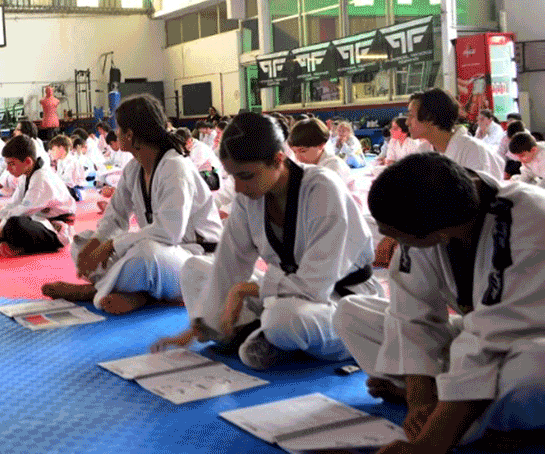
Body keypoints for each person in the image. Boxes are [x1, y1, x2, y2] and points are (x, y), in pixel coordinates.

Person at [334, 153, 545, 454]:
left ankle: (472, 421)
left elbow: (486, 345)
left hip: (528, 339)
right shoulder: (437, 207)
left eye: (396, 236)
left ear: (440, 235)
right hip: (482, 334)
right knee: (352, 313)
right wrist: (419, 400)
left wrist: (428, 445)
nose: (389, 243)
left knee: (534, 370)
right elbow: (411, 315)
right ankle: (461, 414)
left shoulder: (530, 222)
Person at [153, 112, 382, 370]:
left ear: (278, 159)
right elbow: (230, 261)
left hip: (340, 300)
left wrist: (242, 292)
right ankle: (259, 335)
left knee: (282, 319)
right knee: (195, 268)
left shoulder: (322, 189)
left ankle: (269, 334)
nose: (238, 187)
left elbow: (313, 287)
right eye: (233, 176)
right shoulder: (250, 194)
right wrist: (204, 324)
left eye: (246, 176)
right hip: (285, 290)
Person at [41, 94, 223, 315]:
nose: (115, 134)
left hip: (199, 260)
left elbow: (169, 233)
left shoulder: (175, 168)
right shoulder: (134, 170)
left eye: (119, 129)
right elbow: (116, 216)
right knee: (82, 242)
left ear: (130, 135)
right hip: (164, 253)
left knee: (146, 254)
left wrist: (110, 246)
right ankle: (139, 292)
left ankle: (93, 291)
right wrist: (97, 242)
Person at [0, 135, 76, 256]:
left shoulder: (42, 178)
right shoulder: (27, 174)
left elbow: (23, 210)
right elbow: (14, 204)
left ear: (27, 161)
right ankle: (16, 245)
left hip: (56, 229)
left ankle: (19, 246)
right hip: (36, 220)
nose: (7, 169)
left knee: (13, 224)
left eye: (11, 164)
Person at [408, 89, 504, 180]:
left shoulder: (473, 150)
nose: (407, 122)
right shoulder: (423, 151)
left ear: (430, 118)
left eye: (411, 116)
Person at [287, 118, 352, 184]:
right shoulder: (306, 164)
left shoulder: (333, 166)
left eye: (303, 151)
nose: (298, 157)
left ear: (321, 145)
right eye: (294, 152)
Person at [49, 134, 86, 201]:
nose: (51, 152)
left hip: (75, 191)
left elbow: (69, 182)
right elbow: (59, 177)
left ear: (61, 149)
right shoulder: (60, 161)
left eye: (53, 149)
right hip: (66, 188)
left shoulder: (72, 161)